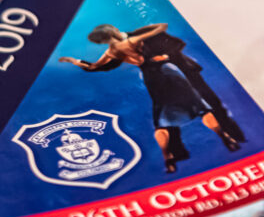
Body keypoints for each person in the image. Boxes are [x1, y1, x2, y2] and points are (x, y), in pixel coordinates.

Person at [59, 23, 242, 173]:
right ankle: (225, 136)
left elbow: (94, 67)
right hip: (167, 71)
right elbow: (162, 27)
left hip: (152, 79)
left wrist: (75, 61)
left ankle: (167, 157)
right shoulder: (133, 39)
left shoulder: (111, 52)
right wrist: (147, 34)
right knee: (198, 106)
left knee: (161, 118)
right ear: (113, 31)